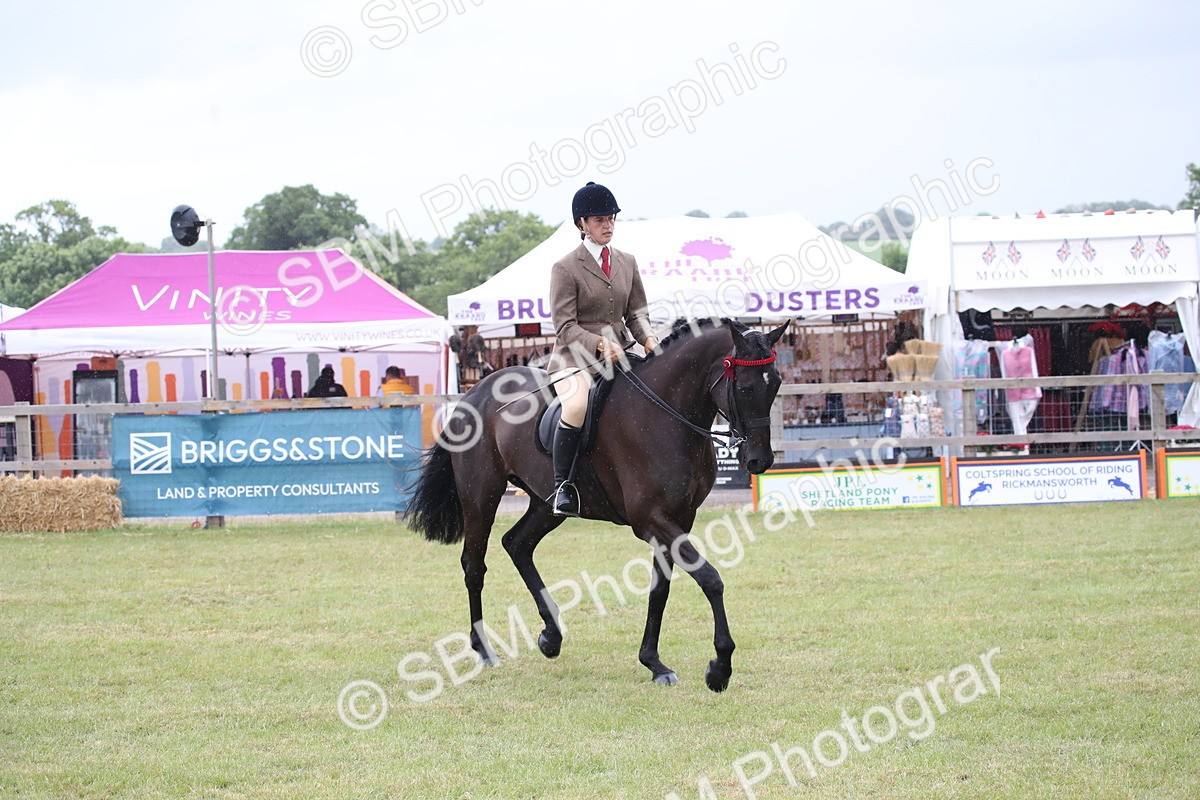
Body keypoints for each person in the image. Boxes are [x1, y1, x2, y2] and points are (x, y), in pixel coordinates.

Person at [546, 181, 658, 516]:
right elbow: (564, 325)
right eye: (599, 220)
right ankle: (562, 487)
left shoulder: (627, 262)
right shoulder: (565, 268)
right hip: (574, 359)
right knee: (577, 405)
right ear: (582, 224)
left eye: (611, 219)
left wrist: (649, 339)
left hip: (620, 354)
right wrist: (598, 343)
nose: (608, 225)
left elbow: (636, 315)